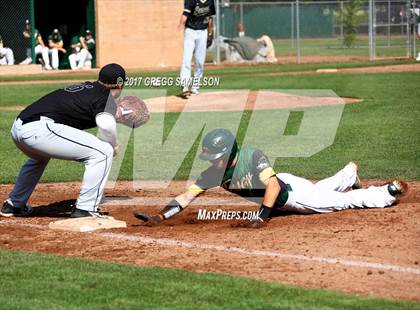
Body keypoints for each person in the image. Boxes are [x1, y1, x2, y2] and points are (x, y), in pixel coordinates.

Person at [134, 128, 408, 228]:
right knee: (322, 192)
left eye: (214, 156)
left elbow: (273, 184)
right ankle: (348, 174)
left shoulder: (251, 156)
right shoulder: (213, 173)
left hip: (290, 195)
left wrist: (262, 216)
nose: (211, 162)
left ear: (228, 152)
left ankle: (386, 192)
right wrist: (160, 217)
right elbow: (187, 196)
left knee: (339, 203)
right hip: (284, 187)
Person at [1, 63, 126, 218]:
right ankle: (86, 208)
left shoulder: (89, 89)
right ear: (120, 84)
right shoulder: (105, 97)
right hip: (39, 130)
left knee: (39, 157)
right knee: (103, 151)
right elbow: (105, 124)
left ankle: (15, 204)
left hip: (19, 129)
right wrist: (113, 144)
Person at [178, 0, 215, 98]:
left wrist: (210, 34)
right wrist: (180, 26)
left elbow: (210, 18)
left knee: (200, 62)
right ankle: (185, 86)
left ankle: (195, 87)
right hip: (190, 31)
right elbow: (185, 15)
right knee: (187, 59)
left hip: (203, 32)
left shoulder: (210, 1)